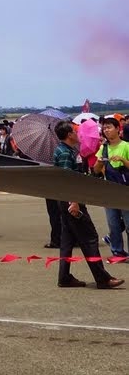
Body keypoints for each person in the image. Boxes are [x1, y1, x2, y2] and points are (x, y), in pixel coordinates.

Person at [52, 120, 124, 289]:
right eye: (74, 131)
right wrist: (75, 202)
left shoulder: (66, 150)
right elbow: (67, 180)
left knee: (67, 241)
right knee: (90, 237)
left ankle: (64, 277)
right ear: (69, 135)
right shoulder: (65, 153)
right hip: (72, 201)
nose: (77, 134)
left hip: (65, 200)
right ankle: (102, 279)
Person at [95, 116, 129, 258]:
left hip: (124, 190)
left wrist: (123, 160)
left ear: (118, 129)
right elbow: (96, 170)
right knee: (113, 223)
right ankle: (117, 251)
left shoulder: (126, 146)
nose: (106, 130)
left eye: (109, 127)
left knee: (128, 223)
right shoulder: (103, 148)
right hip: (109, 190)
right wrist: (100, 163)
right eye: (104, 128)